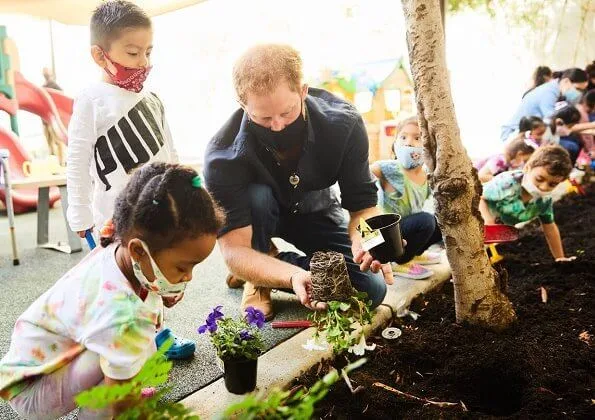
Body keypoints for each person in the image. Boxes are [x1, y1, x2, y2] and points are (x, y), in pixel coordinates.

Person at [0, 163, 224, 419]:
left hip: (36, 362)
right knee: (132, 346)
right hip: (31, 389)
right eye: (183, 267)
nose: (189, 277)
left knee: (138, 339)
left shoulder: (118, 237)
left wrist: (166, 284)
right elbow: (122, 405)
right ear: (139, 250)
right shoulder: (123, 316)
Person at [204, 44, 391, 320]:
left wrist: (368, 241)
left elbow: (363, 207)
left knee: (371, 289)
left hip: (316, 210)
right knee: (258, 196)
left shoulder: (345, 124)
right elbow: (234, 250)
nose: (278, 125)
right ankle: (258, 278)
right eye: (264, 117)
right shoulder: (222, 155)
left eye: (287, 112)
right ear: (242, 104)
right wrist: (292, 277)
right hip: (257, 220)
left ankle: (265, 266)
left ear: (303, 90)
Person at [66, 0, 192, 360]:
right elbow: (76, 158)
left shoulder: (152, 99)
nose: (143, 63)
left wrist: (183, 194)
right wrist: (79, 214)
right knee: (121, 283)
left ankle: (157, 335)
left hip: (156, 210)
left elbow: (170, 152)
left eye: (148, 52)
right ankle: (123, 349)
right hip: (113, 217)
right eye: (133, 52)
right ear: (99, 54)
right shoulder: (92, 99)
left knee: (155, 275)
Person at [370, 116, 441, 280]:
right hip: (387, 235)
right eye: (403, 137)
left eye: (417, 138)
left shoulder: (427, 176)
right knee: (425, 221)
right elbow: (362, 174)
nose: (408, 143)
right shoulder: (390, 169)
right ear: (396, 143)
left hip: (405, 230)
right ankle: (398, 262)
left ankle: (413, 254)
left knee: (439, 222)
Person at [479, 145, 575, 262]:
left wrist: (560, 258)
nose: (544, 187)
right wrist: (488, 220)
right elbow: (478, 196)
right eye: (540, 179)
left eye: (552, 184)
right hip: (473, 220)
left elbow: (549, 227)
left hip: (495, 233)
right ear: (528, 168)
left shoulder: (543, 200)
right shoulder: (507, 182)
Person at [501, 68, 588, 142]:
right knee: (570, 146)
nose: (579, 93)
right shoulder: (548, 93)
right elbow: (553, 125)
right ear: (566, 81)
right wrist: (590, 126)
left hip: (535, 131)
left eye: (581, 91)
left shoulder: (555, 91)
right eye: (577, 89)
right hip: (517, 135)